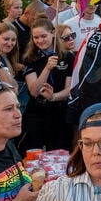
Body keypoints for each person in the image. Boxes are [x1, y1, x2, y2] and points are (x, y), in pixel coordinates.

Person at [20, 18, 74, 153]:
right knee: (34, 154)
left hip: (60, 113)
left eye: (43, 36)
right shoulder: (29, 58)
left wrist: (53, 97)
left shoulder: (67, 57)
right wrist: (47, 68)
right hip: (36, 112)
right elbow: (33, 91)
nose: (40, 41)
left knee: (60, 152)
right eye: (36, 37)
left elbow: (70, 89)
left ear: (53, 33)